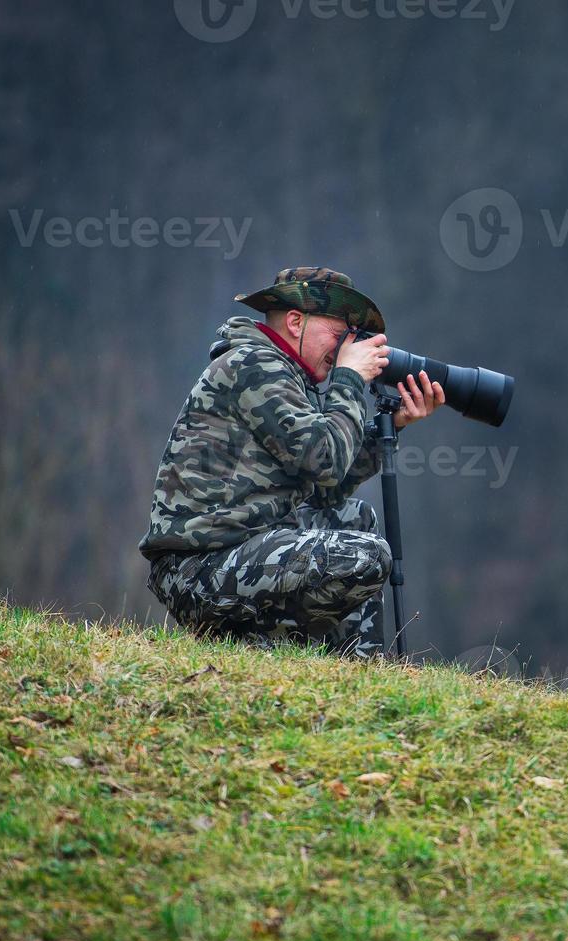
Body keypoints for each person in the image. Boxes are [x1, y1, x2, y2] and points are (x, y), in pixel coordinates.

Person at [139, 266, 445, 657]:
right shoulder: (253, 365)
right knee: (367, 555)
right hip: (199, 570)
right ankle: (260, 644)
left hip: (239, 552)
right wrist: (349, 379)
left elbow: (325, 486)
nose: (342, 351)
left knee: (356, 520)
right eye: (338, 336)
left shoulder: (287, 377)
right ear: (296, 322)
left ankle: (354, 674)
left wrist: (395, 423)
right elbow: (325, 460)